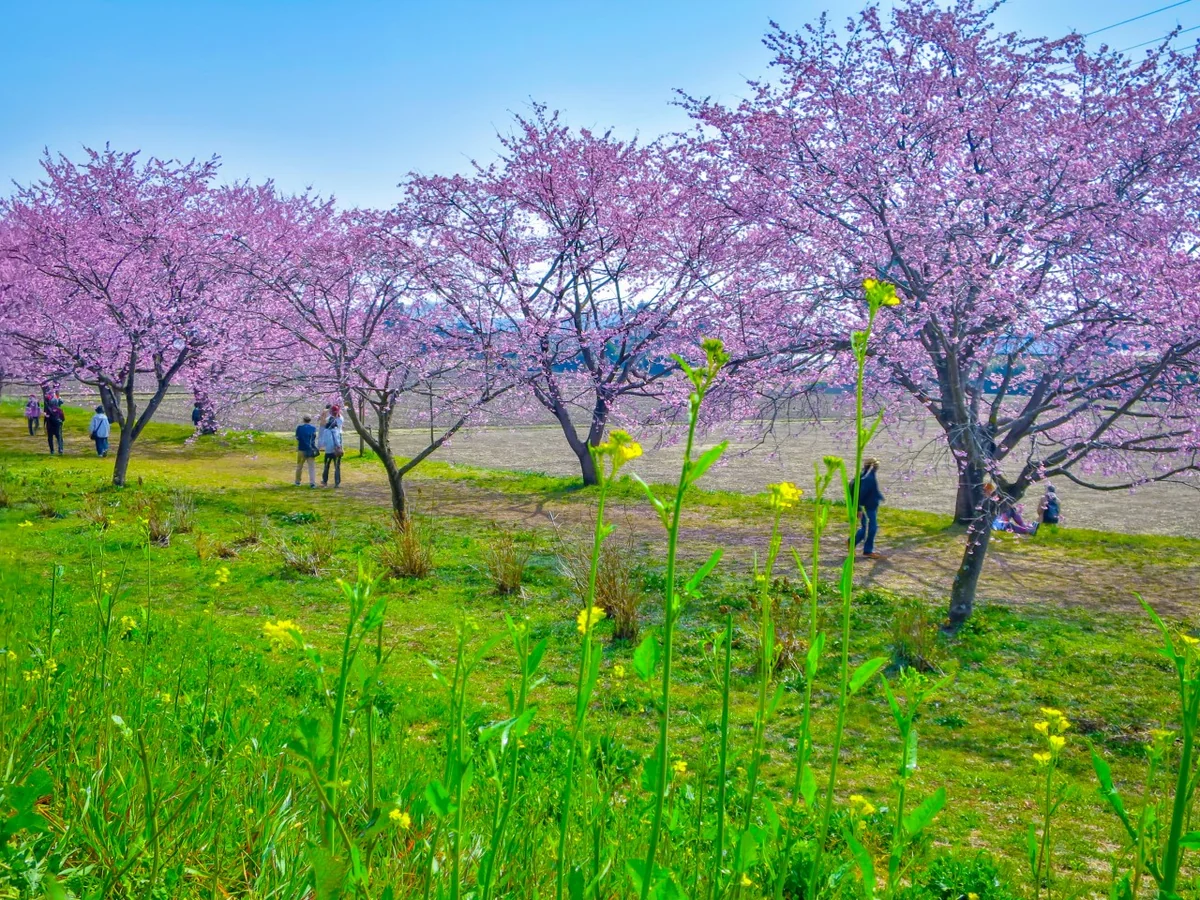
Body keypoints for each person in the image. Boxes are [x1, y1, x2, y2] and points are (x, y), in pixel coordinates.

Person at [854, 457, 885, 559]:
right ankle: (866, 550)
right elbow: (860, 494)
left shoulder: (868, 475)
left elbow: (871, 490)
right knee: (870, 528)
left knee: (869, 528)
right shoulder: (868, 478)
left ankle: (858, 545)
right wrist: (858, 509)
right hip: (867, 507)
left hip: (871, 505)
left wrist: (879, 496)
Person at [319, 410, 344, 487]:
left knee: (326, 466)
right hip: (335, 451)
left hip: (328, 451)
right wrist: (340, 447)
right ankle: (337, 482)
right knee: (337, 466)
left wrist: (322, 446)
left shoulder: (325, 431)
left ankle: (325, 481)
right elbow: (337, 441)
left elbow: (323, 442)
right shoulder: (336, 431)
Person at [294, 415, 319, 488]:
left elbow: (297, 437)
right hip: (310, 449)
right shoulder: (313, 428)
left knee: (299, 466)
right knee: (311, 467)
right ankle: (312, 483)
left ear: (303, 420)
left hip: (302, 448)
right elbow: (314, 438)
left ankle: (297, 481)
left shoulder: (299, 428)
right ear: (310, 420)